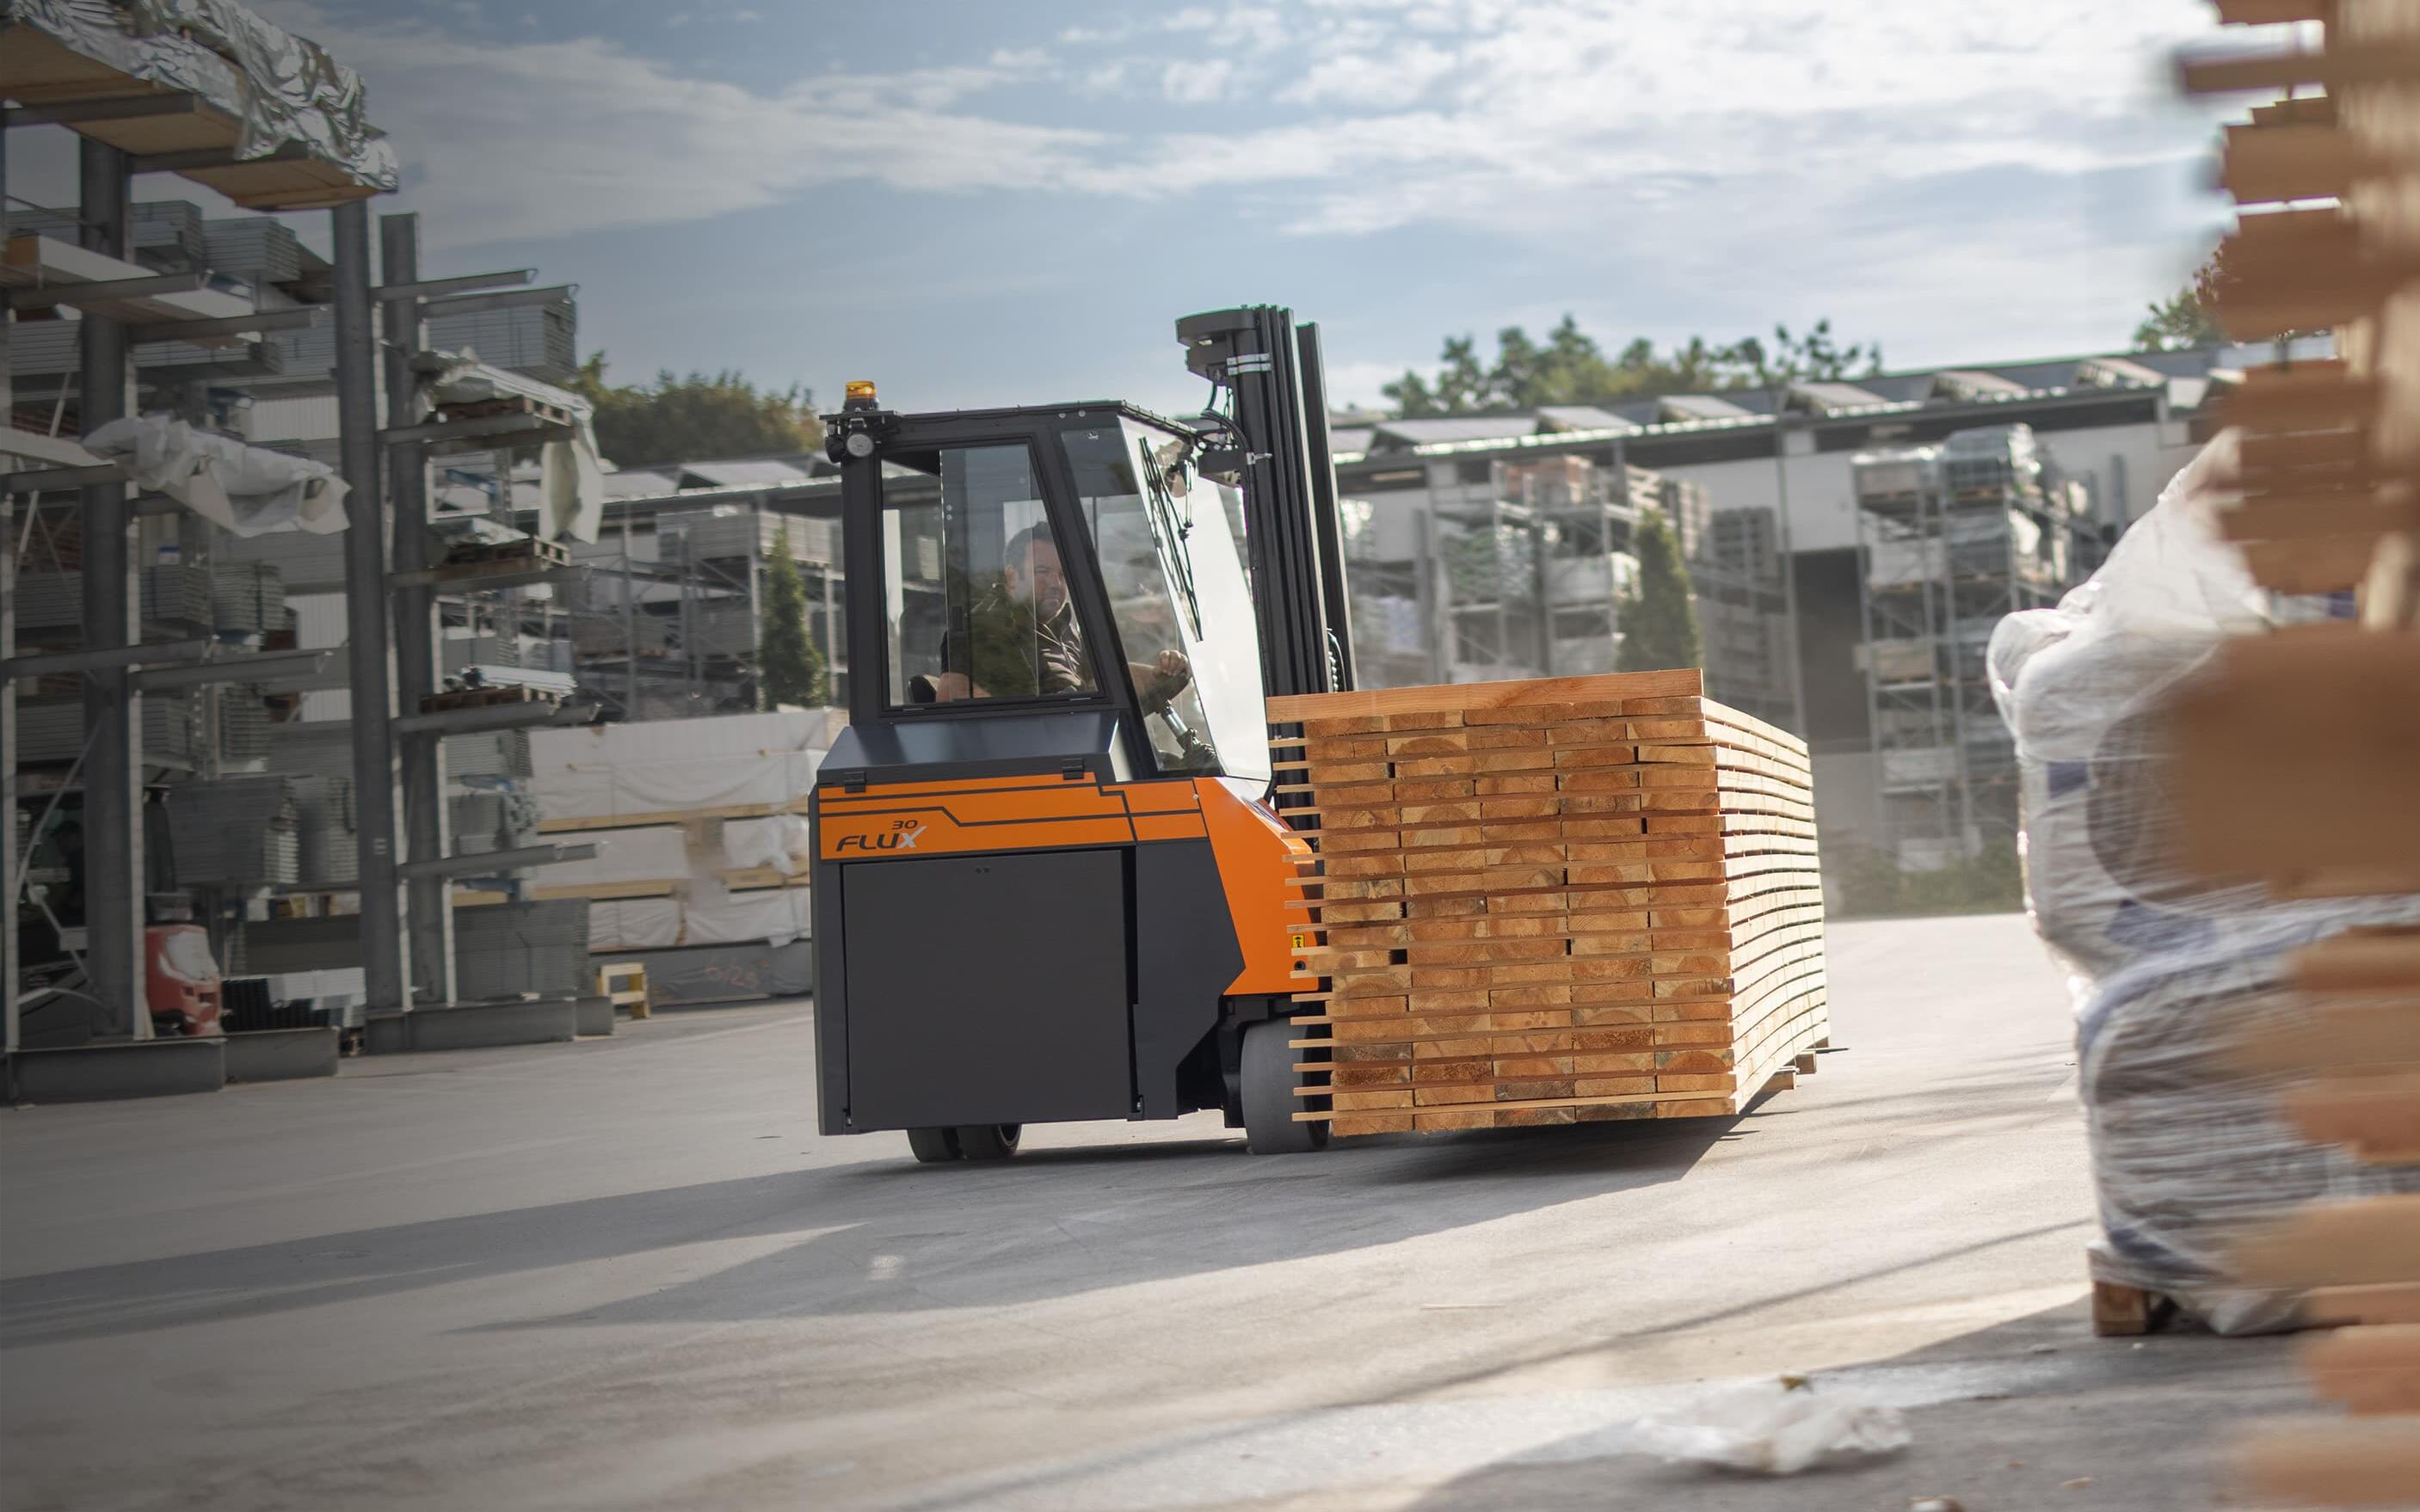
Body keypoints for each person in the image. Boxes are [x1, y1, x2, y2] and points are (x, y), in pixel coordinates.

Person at [937, 523, 1191, 708]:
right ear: (1012, 577)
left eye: (1061, 574)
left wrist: (1162, 675)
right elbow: (953, 699)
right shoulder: (982, 627)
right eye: (1042, 571)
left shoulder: (1062, 627)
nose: (1056, 583)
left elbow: (1101, 682)